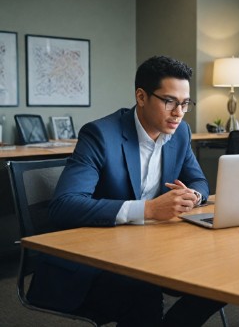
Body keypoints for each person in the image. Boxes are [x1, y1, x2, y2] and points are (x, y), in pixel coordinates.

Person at [28, 56, 225, 326]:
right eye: (169, 101)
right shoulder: (100, 135)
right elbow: (64, 205)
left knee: (222, 274)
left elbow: (200, 182)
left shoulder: (180, 133)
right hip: (97, 259)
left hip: (154, 248)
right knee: (142, 288)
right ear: (141, 97)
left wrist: (192, 195)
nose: (178, 112)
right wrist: (149, 209)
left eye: (185, 103)